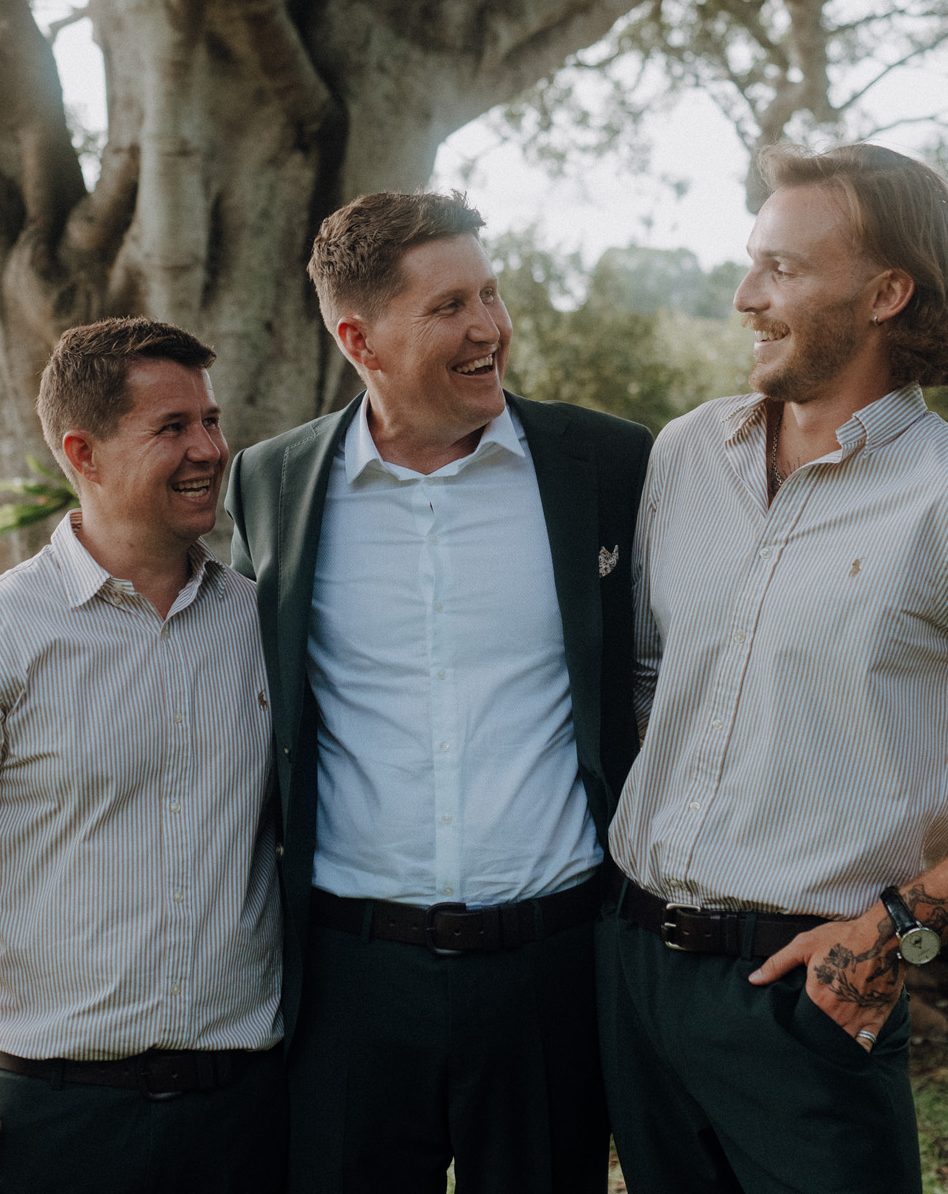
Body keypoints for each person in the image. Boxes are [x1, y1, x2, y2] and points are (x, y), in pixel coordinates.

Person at [602, 144, 948, 1194]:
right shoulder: (685, 456)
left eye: (784, 270)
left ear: (886, 292)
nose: (745, 296)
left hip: (809, 989)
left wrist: (898, 933)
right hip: (634, 975)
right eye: (751, 262)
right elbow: (646, 683)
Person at [223, 191, 653, 1194]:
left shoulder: (609, 463)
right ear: (358, 335)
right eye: (452, 304)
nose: (490, 328)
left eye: (492, 294)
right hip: (347, 980)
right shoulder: (271, 484)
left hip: (551, 971)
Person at [0, 318, 284, 1194]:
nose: (209, 448)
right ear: (83, 454)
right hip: (52, 1120)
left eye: (210, 421)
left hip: (247, 1116)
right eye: (172, 428)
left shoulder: (263, 626)